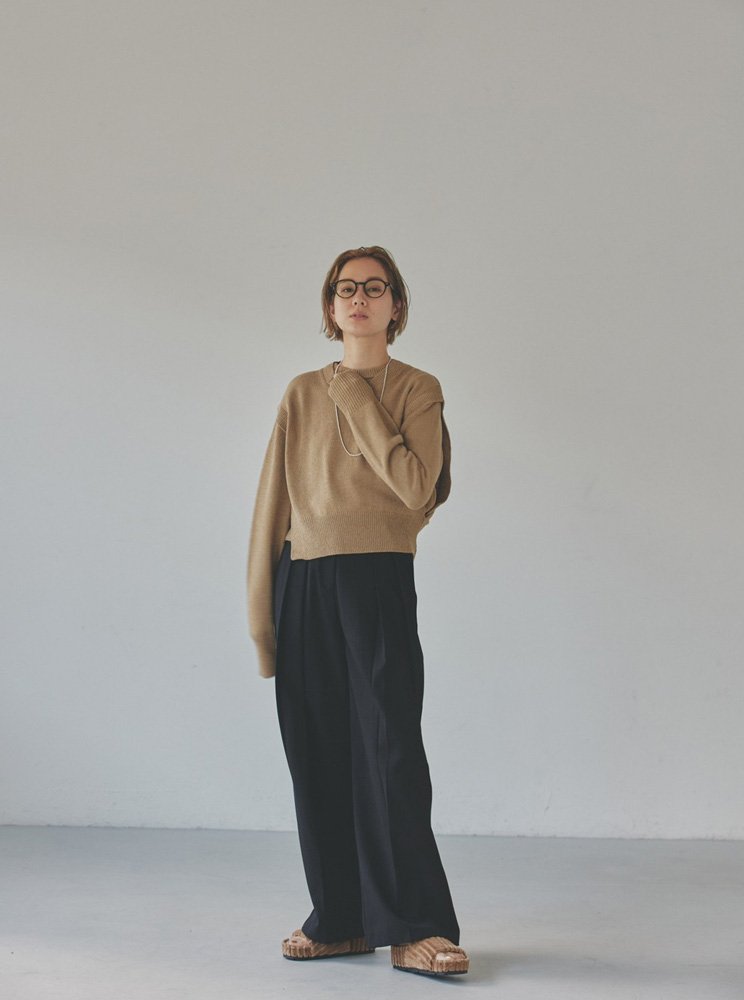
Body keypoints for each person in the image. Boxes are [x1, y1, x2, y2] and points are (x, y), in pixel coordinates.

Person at [245, 245, 469, 978]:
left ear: (396, 305)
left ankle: (415, 925)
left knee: (389, 748)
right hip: (304, 578)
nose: (360, 298)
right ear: (330, 306)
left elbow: (415, 487)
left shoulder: (417, 389)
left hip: (376, 577)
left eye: (376, 287)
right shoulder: (300, 392)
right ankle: (340, 918)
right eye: (347, 288)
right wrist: (262, 618)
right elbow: (272, 504)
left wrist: (354, 395)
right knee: (317, 750)